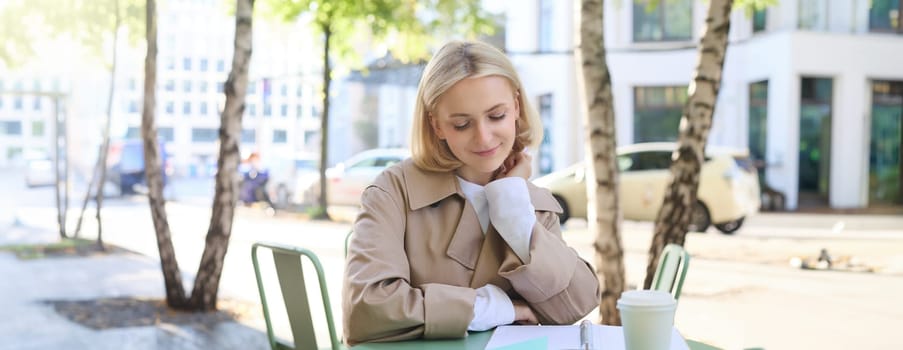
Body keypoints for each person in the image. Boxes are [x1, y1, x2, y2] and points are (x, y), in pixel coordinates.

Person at [342, 40, 600, 345]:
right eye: (462, 124)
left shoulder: (528, 201)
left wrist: (511, 209)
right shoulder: (392, 191)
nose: (484, 137)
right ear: (436, 125)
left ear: (516, 107)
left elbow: (572, 307)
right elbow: (365, 308)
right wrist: (495, 306)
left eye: (496, 116)